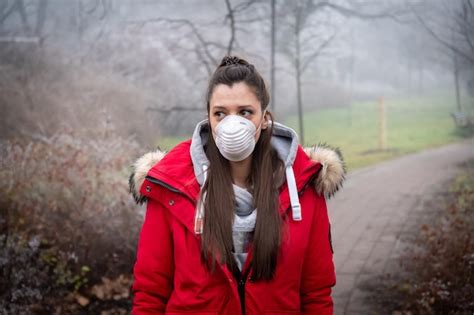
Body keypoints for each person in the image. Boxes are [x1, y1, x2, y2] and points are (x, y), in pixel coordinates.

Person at [129, 55, 346, 315]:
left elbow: (316, 292)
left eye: (245, 112)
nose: (233, 125)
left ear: (264, 118)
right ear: (208, 118)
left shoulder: (306, 185)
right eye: (220, 113)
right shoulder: (172, 187)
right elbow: (150, 293)